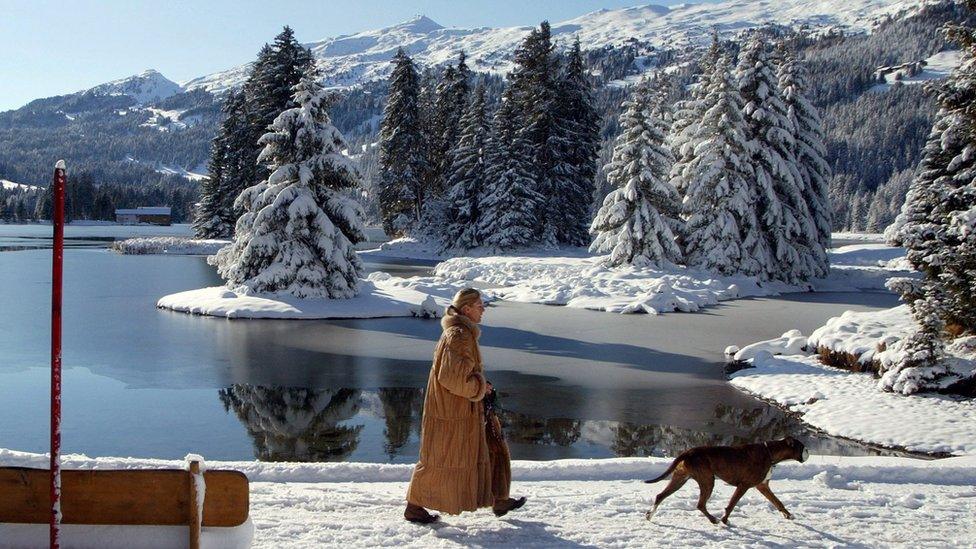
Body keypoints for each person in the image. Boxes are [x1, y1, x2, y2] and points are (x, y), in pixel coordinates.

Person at [404, 288, 526, 523]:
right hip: (453, 413)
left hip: (463, 409)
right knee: (441, 461)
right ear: (467, 309)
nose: (483, 309)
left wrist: (481, 384)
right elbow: (453, 378)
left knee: (489, 447)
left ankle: (498, 498)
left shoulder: (461, 333)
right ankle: (414, 507)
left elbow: (462, 373)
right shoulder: (459, 335)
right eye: (480, 305)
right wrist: (481, 387)